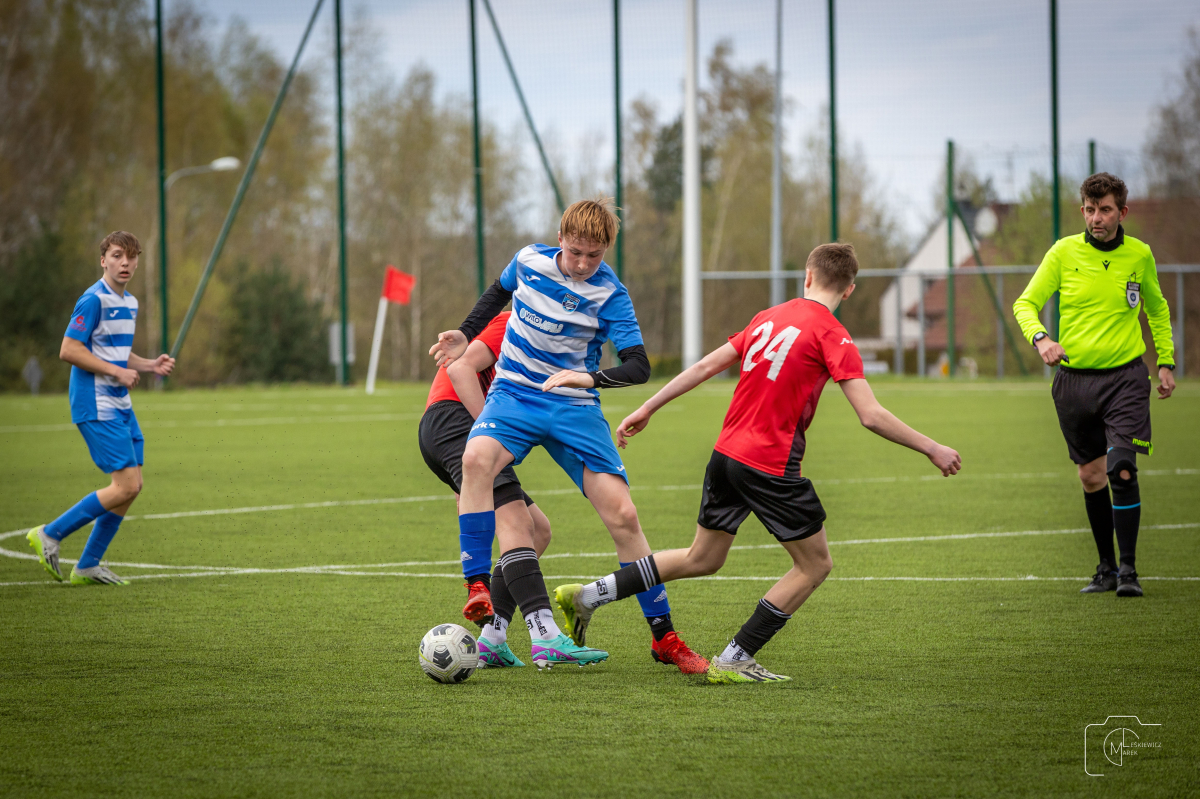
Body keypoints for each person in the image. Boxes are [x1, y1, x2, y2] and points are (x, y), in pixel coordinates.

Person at [554, 243, 962, 684]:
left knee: (703, 557)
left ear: (807, 276)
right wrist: (932, 448)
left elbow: (705, 366)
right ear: (849, 291)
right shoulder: (833, 334)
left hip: (725, 456)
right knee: (815, 565)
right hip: (770, 464)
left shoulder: (769, 317)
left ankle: (588, 596)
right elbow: (871, 415)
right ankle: (736, 657)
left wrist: (648, 407)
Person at [430, 197, 707, 673]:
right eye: (575, 251)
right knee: (476, 460)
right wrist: (466, 332)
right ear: (560, 238)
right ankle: (477, 586)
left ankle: (664, 637)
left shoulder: (611, 294)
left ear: (606, 250)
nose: (582, 264)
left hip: (574, 409)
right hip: (514, 395)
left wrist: (589, 378)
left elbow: (639, 366)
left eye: (593, 255)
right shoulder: (528, 260)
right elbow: (497, 292)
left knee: (624, 516)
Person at [1013, 173, 1175, 598]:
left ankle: (1129, 571)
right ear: (1082, 210)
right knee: (1090, 476)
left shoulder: (1140, 254)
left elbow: (1157, 309)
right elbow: (1025, 303)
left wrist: (1166, 361)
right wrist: (1041, 338)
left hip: (1126, 378)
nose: (1096, 218)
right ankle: (1105, 568)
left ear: (1122, 212)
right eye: (1089, 210)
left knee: (1121, 468)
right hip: (1074, 383)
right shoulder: (1063, 252)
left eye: (1104, 210)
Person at [26, 231, 175, 585]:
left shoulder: (130, 302)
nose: (125, 263)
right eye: (118, 255)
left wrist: (149, 365)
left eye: (132, 257)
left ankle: (88, 565)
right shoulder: (93, 300)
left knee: (133, 485)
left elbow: (115, 353)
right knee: (125, 486)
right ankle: (49, 533)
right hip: (94, 403)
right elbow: (69, 349)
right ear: (103, 260)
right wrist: (116, 372)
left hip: (120, 403)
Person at [418, 310, 553, 667]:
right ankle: (546, 635)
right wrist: (488, 432)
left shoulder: (545, 336)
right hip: (456, 419)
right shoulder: (518, 319)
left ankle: (492, 638)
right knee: (519, 524)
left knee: (538, 530)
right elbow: (459, 371)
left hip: (444, 428)